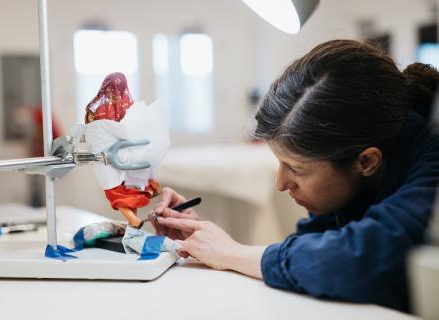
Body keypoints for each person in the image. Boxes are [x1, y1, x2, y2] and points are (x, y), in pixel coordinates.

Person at [148, 39, 439, 312]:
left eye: (297, 169)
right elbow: (313, 252)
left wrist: (232, 254)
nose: (280, 184)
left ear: (366, 161)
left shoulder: (432, 166)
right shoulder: (372, 161)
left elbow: (356, 262)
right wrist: (208, 243)